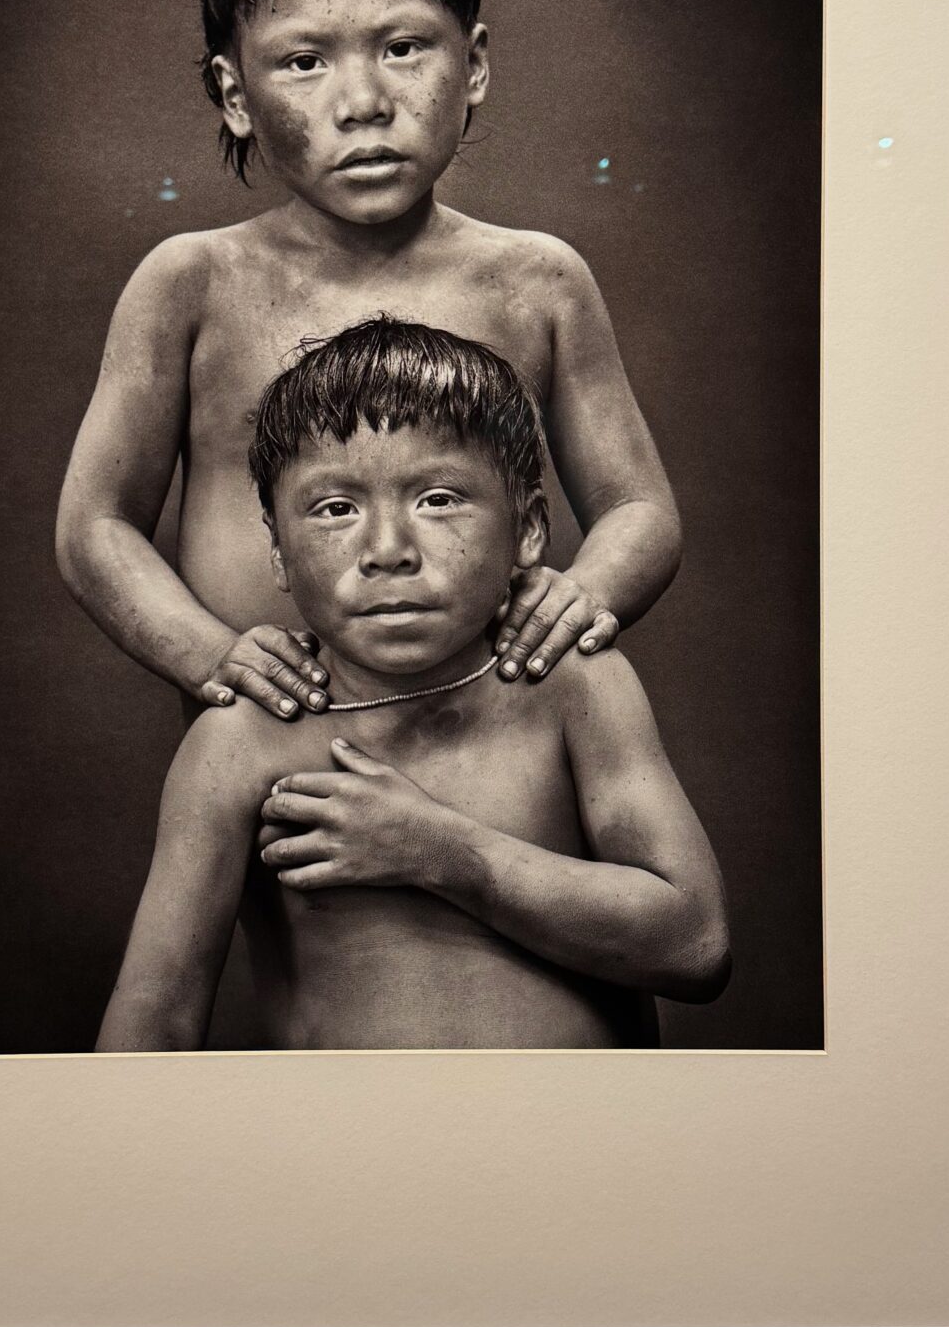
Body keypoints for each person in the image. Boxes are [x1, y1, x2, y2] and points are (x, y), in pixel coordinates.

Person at [56, 0, 681, 721]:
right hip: (273, 749)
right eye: (304, 61)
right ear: (235, 95)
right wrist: (212, 658)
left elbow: (639, 507)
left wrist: (585, 595)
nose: (363, 103)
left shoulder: (537, 283)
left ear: (473, 65)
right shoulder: (192, 285)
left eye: (402, 47)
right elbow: (95, 526)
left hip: (494, 743)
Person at [96, 320, 728, 1051]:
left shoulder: (570, 685)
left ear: (528, 528)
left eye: (438, 499)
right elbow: (156, 1018)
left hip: (575, 1120)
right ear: (277, 552)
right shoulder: (243, 741)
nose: (388, 551)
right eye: (337, 509)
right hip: (348, 1125)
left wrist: (442, 852)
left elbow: (696, 946)